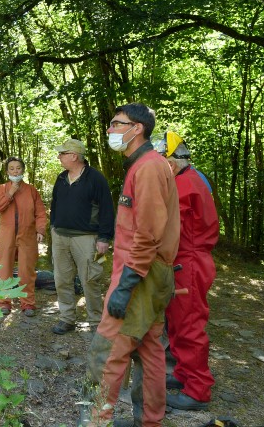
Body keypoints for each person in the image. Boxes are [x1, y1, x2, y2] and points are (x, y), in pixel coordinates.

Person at [81, 103, 180, 427]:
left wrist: (126, 285)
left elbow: (148, 232)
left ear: (136, 128)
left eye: (115, 124)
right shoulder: (144, 165)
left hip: (140, 275)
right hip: (147, 272)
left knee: (107, 351)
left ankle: (95, 421)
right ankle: (150, 422)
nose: (109, 130)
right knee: (150, 349)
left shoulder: (149, 167)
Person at [154, 131, 219, 411]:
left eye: (158, 162)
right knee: (177, 322)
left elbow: (166, 226)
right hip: (183, 260)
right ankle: (183, 373)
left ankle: (198, 390)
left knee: (189, 325)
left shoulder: (184, 184)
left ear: (170, 162)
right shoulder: (187, 178)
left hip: (189, 261)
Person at [50, 139, 115, 335]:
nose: (59, 157)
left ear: (74, 156)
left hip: (87, 238)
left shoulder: (95, 178)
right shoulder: (61, 178)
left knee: (90, 279)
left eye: (62, 153)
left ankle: (96, 322)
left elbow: (107, 210)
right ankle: (67, 318)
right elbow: (55, 205)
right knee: (62, 279)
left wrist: (104, 238)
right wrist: (53, 228)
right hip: (60, 236)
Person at [0, 156, 47, 317]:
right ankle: (4, 302)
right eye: (12, 168)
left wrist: (40, 230)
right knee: (4, 269)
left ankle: (27, 303)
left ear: (23, 170)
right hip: (6, 234)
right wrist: (10, 193)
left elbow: (40, 213)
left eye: (18, 168)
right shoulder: (2, 188)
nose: (15, 171)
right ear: (7, 171)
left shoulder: (31, 190)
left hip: (27, 234)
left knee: (26, 270)